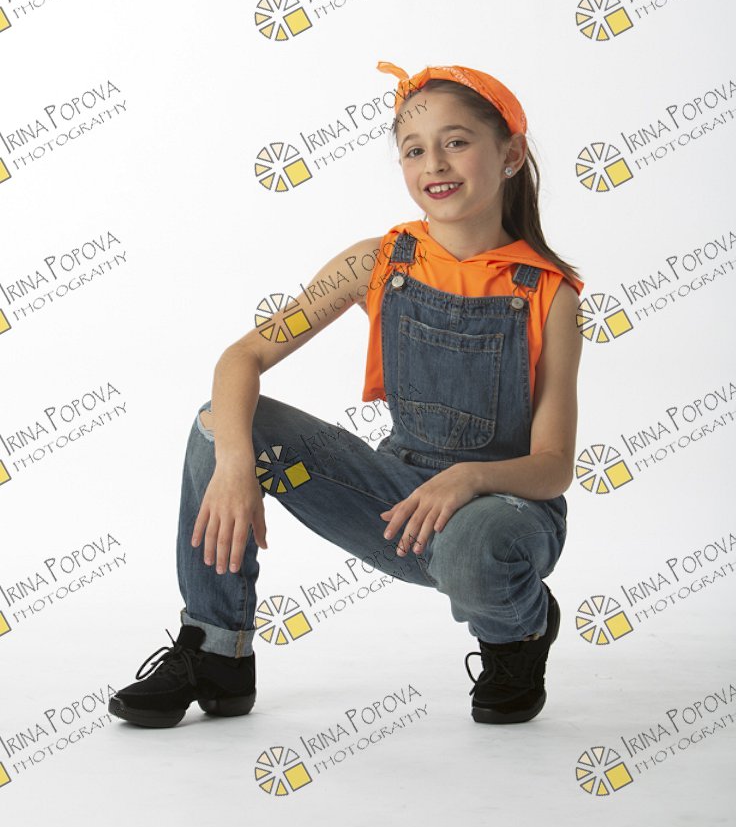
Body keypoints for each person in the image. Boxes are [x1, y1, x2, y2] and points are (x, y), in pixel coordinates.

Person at [109, 59, 585, 730]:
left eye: (456, 141)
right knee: (222, 423)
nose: (434, 163)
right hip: (396, 504)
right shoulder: (377, 262)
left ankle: (519, 633)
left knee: (476, 546)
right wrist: (238, 464)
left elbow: (554, 466)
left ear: (510, 154)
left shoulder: (549, 295)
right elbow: (243, 358)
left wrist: (470, 478)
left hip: (504, 509)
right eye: (414, 149)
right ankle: (216, 650)